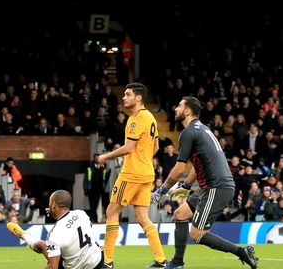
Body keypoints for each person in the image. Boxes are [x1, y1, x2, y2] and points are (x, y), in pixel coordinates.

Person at [152, 97, 258, 269]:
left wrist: (161, 191)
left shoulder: (188, 133)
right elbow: (197, 164)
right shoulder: (202, 129)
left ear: (187, 111)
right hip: (210, 187)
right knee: (180, 214)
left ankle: (242, 252)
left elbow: (179, 169)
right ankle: (177, 262)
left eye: (179, 106)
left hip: (216, 187)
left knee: (197, 234)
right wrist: (186, 186)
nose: (175, 109)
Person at [96, 83, 166, 268]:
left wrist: (105, 156)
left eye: (128, 95)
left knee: (112, 212)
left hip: (132, 174)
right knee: (143, 217)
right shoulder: (151, 117)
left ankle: (108, 261)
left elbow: (128, 148)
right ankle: (160, 258)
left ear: (138, 98)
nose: (124, 98)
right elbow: (156, 146)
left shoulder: (135, 119)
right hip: (147, 173)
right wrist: (143, 159)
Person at [7, 190, 104, 269]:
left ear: (53, 204)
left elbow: (53, 267)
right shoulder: (81, 213)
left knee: (43, 246)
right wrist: (55, 212)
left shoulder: (55, 234)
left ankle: (23, 235)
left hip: (78, 267)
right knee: (50, 246)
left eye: (49, 202)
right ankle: (23, 234)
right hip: (97, 261)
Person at [84, 154, 109, 223]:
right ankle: (93, 219)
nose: (98, 160)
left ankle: (94, 219)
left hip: (99, 189)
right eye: (96, 158)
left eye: (99, 158)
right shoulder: (90, 167)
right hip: (91, 189)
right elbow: (86, 179)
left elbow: (106, 177)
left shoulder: (103, 167)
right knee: (92, 205)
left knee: (96, 204)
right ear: (94, 159)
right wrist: (85, 189)